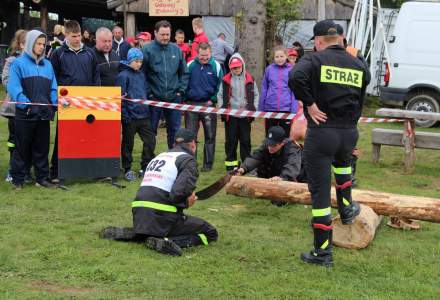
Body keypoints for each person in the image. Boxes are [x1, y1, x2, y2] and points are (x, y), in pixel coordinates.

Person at [289, 19, 371, 266]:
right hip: (348, 132)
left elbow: (295, 77)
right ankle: (347, 209)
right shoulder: (357, 63)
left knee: (321, 194)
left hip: (322, 132)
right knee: (344, 166)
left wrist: (310, 103)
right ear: (341, 38)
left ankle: (322, 251)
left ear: (318, 41)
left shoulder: (314, 59)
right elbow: (365, 84)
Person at [100, 128, 218, 256]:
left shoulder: (160, 156)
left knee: (154, 226)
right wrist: (186, 203)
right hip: (162, 216)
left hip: (139, 214)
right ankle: (167, 241)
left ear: (174, 144)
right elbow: (178, 194)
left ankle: (137, 234)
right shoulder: (188, 161)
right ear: (193, 145)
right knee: (210, 233)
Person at [50, 20, 101, 182]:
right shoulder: (58, 54)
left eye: (79, 35)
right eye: (74, 36)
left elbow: (96, 76)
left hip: (86, 102)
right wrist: (58, 98)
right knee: (63, 137)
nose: (77, 39)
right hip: (67, 103)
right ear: (66, 35)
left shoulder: (90, 53)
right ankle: (56, 171)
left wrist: (94, 97)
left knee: (87, 136)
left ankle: (86, 169)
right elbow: (54, 78)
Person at [7, 29, 58, 190]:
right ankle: (18, 180)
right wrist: (25, 104)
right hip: (25, 113)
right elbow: (13, 87)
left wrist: (55, 102)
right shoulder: (18, 63)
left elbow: (53, 87)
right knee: (21, 148)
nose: (42, 47)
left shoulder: (48, 65)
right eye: (38, 44)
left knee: (42, 148)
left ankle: (42, 178)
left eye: (44, 44)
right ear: (30, 44)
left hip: (43, 113)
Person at [142, 20, 189, 149]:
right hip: (154, 98)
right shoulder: (147, 50)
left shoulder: (176, 50)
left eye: (167, 34)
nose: (165, 37)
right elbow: (142, 73)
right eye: (162, 34)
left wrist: (181, 91)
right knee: (151, 131)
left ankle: (173, 160)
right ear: (155, 33)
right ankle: (147, 162)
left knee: (175, 131)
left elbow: (184, 72)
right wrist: (149, 93)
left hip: (174, 97)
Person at [236, 126, 304, 205]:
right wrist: (243, 168)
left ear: (282, 143)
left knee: (278, 202)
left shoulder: (292, 149)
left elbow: (292, 168)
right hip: (274, 176)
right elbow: (255, 157)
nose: (270, 147)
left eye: (273, 145)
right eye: (268, 144)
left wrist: (282, 178)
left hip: (294, 177)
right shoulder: (267, 146)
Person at [116, 48, 155, 181]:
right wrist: (125, 116)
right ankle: (127, 168)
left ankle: (145, 166)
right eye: (136, 61)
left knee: (150, 141)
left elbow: (145, 91)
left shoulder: (141, 74)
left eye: (140, 61)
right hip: (130, 117)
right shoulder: (123, 76)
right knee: (128, 144)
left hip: (144, 115)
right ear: (130, 61)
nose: (139, 64)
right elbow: (120, 98)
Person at [185, 42, 223, 172]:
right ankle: (191, 163)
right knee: (190, 136)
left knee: (210, 136)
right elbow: (184, 81)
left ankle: (208, 165)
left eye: (207, 55)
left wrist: (213, 99)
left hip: (208, 105)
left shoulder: (216, 66)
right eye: (202, 55)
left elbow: (221, 85)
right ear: (197, 53)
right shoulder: (190, 65)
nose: (204, 58)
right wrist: (186, 98)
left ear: (210, 53)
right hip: (192, 104)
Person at [217, 53, 259, 171]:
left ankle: (246, 165)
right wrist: (222, 107)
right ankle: (231, 165)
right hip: (231, 116)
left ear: (242, 66)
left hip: (245, 116)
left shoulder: (250, 79)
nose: (236, 69)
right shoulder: (225, 80)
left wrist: (253, 109)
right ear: (230, 68)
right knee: (231, 141)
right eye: (233, 67)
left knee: (245, 140)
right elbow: (219, 95)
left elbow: (256, 94)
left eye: (238, 67)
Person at [1, 29, 31, 183]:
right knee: (14, 140)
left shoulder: (36, 61)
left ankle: (26, 171)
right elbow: (6, 80)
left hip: (31, 108)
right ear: (21, 45)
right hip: (14, 109)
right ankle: (12, 170)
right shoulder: (11, 61)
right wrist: (21, 90)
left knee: (29, 141)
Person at [259, 46, 298, 136]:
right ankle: (269, 150)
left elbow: (294, 91)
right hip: (270, 108)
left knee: (285, 137)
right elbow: (264, 88)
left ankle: (284, 150)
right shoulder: (269, 69)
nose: (279, 59)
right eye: (277, 57)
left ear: (286, 56)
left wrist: (294, 110)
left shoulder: (292, 70)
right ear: (273, 57)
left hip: (286, 109)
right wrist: (261, 108)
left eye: (281, 56)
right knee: (270, 136)